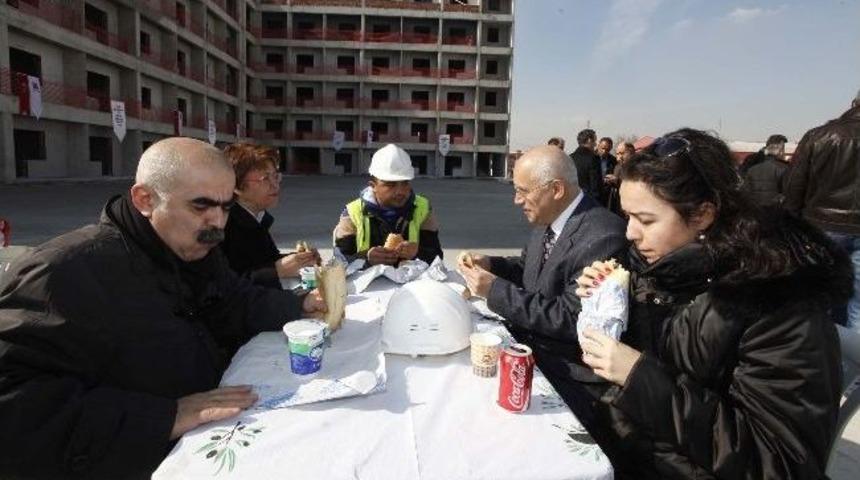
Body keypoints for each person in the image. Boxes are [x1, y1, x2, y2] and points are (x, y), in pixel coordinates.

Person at [0, 137, 326, 479]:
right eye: (201, 206)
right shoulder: (63, 273)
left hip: (210, 439)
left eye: (226, 207)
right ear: (146, 199)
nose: (218, 222)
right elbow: (13, 406)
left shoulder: (193, 247)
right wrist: (164, 416)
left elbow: (232, 298)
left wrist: (300, 304)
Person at [575, 129, 847, 479]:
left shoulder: (778, 302)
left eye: (645, 220)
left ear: (703, 215)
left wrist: (639, 378)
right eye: (627, 216)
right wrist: (608, 300)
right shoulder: (659, 268)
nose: (630, 233)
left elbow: (780, 463)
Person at [458, 145, 627, 427]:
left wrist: (493, 290)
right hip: (531, 352)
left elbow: (571, 319)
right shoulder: (550, 217)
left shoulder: (603, 236)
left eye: (523, 191)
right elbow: (529, 270)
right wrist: (491, 264)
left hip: (568, 377)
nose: (516, 200)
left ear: (556, 189)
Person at [784, 90, 860, 329]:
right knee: (858, 303)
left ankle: (820, 346)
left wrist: (791, 223)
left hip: (821, 227)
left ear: (854, 103)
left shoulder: (819, 135)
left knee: (818, 297)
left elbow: (795, 184)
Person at [221, 143, 319, 289]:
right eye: (265, 178)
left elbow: (265, 262)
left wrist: (300, 260)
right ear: (236, 186)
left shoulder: (257, 218)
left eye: (275, 176)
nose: (275, 185)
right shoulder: (222, 226)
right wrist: (277, 271)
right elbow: (223, 285)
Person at [334, 143, 443, 266]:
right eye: (390, 185)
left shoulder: (422, 208)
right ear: (373, 186)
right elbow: (339, 261)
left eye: (405, 183)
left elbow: (437, 257)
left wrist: (417, 253)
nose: (400, 191)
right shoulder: (352, 213)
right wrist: (366, 258)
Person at [739, 134, 789, 207]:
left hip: (755, 210)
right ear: (778, 150)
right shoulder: (784, 169)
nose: (783, 152)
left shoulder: (752, 167)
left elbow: (745, 192)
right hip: (776, 210)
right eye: (783, 149)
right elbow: (789, 194)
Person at [569, 128, 601, 199]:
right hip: (588, 200)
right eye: (594, 141)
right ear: (589, 140)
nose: (595, 144)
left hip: (571, 199)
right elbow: (595, 186)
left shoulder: (569, 158)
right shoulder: (593, 159)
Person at [605, 142, 635, 215]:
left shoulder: (637, 167)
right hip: (617, 205)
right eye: (617, 154)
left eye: (622, 153)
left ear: (631, 153)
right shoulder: (617, 167)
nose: (619, 157)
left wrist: (617, 181)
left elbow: (635, 186)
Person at [595, 137, 618, 207]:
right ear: (598, 145)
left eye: (607, 150)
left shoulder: (613, 160)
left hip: (607, 192)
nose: (604, 151)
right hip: (594, 191)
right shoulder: (592, 157)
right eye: (603, 148)